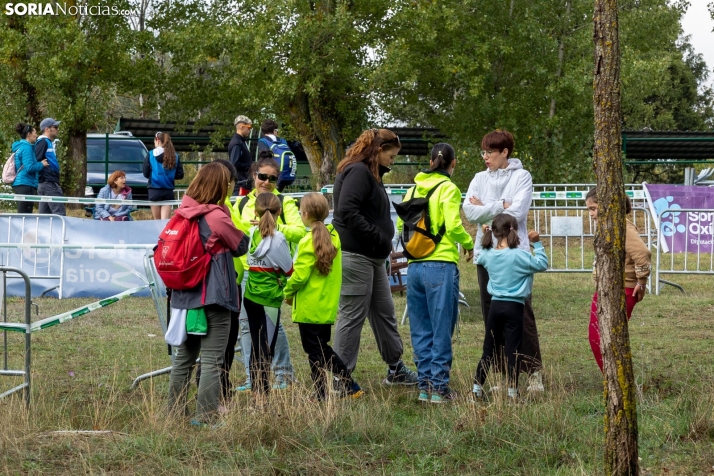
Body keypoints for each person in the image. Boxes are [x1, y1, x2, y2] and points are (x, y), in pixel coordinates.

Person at [462, 129, 545, 393]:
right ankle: (502, 373)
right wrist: (499, 205)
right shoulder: (478, 178)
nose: (485, 157)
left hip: (515, 253)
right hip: (487, 253)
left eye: (490, 152)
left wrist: (486, 206)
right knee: (491, 314)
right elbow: (470, 211)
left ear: (505, 152)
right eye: (483, 152)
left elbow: (517, 213)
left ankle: (532, 372)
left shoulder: (522, 176)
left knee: (522, 312)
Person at [332, 128, 417, 385]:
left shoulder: (371, 173)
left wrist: (382, 243)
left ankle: (396, 368)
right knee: (352, 315)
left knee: (384, 312)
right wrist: (378, 237)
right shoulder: (358, 171)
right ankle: (340, 377)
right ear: (379, 150)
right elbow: (346, 211)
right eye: (391, 156)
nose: (393, 161)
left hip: (373, 257)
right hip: (356, 255)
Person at [167, 162, 249, 427]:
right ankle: (206, 417)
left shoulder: (182, 212)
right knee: (213, 359)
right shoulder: (216, 215)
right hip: (214, 295)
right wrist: (226, 212)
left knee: (185, 358)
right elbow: (241, 246)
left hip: (184, 296)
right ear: (220, 186)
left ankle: (174, 414)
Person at [398, 143, 474, 404]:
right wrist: (469, 243)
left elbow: (401, 224)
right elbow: (453, 226)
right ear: (452, 164)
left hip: (415, 266)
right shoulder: (449, 189)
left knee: (420, 328)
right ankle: (440, 389)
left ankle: (424, 386)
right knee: (441, 328)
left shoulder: (412, 189)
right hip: (440, 264)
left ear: (430, 162)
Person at [232, 152, 305, 392]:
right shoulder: (242, 203)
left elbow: (300, 232)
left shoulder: (284, 203)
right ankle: (252, 378)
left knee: (274, 327)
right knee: (246, 326)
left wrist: (274, 225)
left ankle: (284, 374)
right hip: (246, 275)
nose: (266, 182)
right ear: (254, 176)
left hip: (273, 277)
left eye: (272, 179)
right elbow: (236, 232)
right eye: (262, 176)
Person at [283, 192, 364, 401]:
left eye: (300, 212)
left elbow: (299, 276)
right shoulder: (334, 236)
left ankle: (348, 384)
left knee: (316, 352)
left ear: (306, 214)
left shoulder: (306, 242)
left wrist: (287, 291)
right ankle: (320, 393)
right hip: (326, 307)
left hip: (309, 309)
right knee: (320, 350)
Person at [472, 214, 548, 401]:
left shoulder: (489, 255)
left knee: (488, 350)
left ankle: (476, 389)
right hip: (515, 307)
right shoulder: (521, 255)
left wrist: (483, 238)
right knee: (512, 350)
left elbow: (480, 256)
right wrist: (537, 244)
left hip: (495, 306)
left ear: (495, 232)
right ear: (515, 230)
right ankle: (513, 392)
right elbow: (542, 264)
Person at [585, 188, 651, 372]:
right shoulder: (612, 226)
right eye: (589, 209)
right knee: (600, 336)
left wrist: (641, 281)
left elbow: (642, 254)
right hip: (611, 287)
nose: (591, 214)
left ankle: (615, 377)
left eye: (593, 208)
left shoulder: (622, 226)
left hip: (622, 288)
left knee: (601, 336)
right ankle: (613, 376)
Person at [242, 192, 295, 406]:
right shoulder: (279, 239)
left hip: (250, 296)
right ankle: (262, 399)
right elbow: (289, 269)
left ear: (255, 212)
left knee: (256, 346)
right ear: (279, 212)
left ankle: (257, 394)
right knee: (266, 349)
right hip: (269, 301)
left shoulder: (252, 232)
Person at [143, 131, 183, 220]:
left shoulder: (150, 154)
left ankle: (157, 234)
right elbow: (180, 175)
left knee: (156, 221)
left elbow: (145, 173)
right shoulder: (175, 156)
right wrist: (169, 175)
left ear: (157, 140)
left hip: (154, 191)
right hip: (168, 191)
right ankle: (164, 234)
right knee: (165, 221)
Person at [11, 123, 49, 214]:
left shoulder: (21, 147)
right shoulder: (26, 148)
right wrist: (41, 164)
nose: (36, 135)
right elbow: (29, 167)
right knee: (25, 215)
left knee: (23, 214)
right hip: (26, 184)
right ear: (29, 134)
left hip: (22, 183)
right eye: (35, 133)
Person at [35, 118, 65, 216]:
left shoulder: (47, 142)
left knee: (44, 215)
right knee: (59, 213)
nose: (58, 129)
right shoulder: (43, 142)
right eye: (55, 127)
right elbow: (36, 159)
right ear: (47, 129)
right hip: (49, 182)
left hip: (46, 182)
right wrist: (43, 168)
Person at [256, 119, 296, 192]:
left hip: (271, 176)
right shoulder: (283, 141)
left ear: (263, 131)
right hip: (285, 174)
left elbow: (264, 158)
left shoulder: (262, 141)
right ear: (274, 130)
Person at [228, 115, 253, 195]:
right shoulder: (237, 143)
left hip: (244, 183)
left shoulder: (241, 141)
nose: (250, 130)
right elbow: (234, 163)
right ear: (241, 127)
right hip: (240, 185)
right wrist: (250, 166)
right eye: (248, 128)